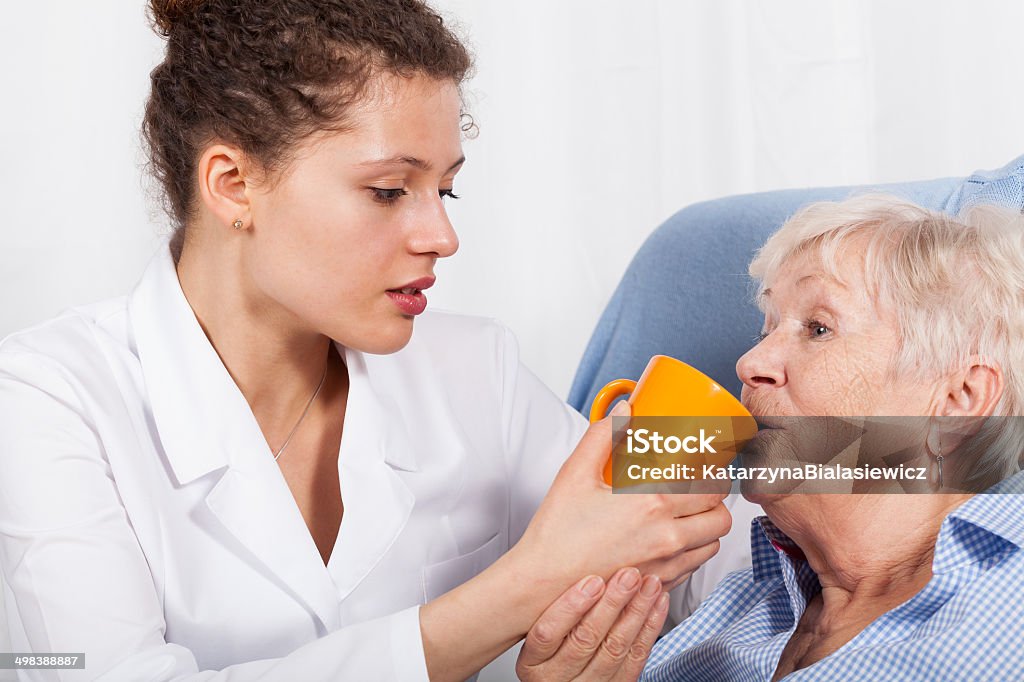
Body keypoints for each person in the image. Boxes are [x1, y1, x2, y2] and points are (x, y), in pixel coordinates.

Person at [0, 1, 758, 680]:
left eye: (445, 188)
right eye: (389, 190)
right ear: (233, 184)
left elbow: (687, 530)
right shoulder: (48, 398)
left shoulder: (473, 369)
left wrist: (857, 437)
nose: (442, 235)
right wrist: (525, 585)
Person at [631, 195, 1024, 680]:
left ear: (959, 402)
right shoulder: (744, 608)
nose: (748, 365)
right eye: (766, 330)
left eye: (818, 329)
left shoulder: (1008, 612)